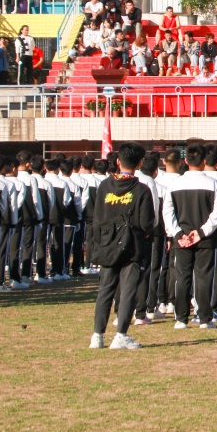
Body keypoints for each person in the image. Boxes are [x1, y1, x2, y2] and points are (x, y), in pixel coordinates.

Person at [88, 142, 155, 350]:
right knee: (128, 290)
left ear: (118, 161)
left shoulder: (105, 186)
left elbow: (96, 215)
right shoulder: (142, 189)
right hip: (132, 245)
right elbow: (147, 223)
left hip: (106, 243)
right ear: (140, 163)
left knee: (105, 290)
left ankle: (97, 335)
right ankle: (121, 335)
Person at [161, 144, 217, 329]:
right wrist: (202, 231)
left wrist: (178, 233)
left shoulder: (175, 184)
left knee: (182, 277)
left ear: (185, 161)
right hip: (205, 238)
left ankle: (181, 318)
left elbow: (167, 212)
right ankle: (205, 318)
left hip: (182, 238)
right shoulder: (212, 183)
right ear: (204, 161)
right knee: (204, 277)